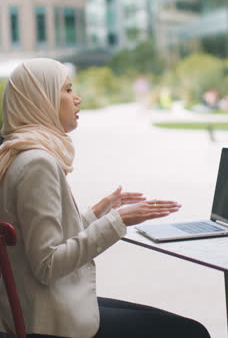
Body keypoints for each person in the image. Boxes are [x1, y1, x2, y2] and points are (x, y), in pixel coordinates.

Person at [0, 58, 210, 338]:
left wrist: (95, 213)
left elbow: (39, 240)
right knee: (191, 332)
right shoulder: (37, 163)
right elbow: (48, 264)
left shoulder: (16, 153)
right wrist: (117, 221)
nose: (78, 99)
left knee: (167, 322)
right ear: (42, 98)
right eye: (67, 89)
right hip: (50, 322)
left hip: (37, 311)